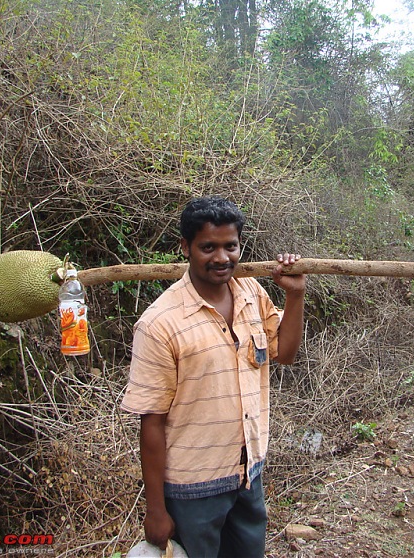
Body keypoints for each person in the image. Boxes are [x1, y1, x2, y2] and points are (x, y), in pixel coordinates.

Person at [120, 196, 306, 557]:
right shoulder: (160, 324)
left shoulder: (252, 293)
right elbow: (152, 423)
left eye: (230, 246)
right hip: (193, 489)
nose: (221, 258)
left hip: (247, 473)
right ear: (185, 248)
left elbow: (285, 353)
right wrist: (156, 510)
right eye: (208, 247)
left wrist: (295, 295)